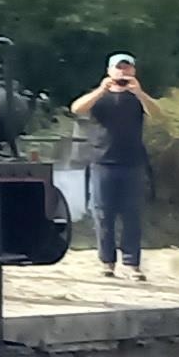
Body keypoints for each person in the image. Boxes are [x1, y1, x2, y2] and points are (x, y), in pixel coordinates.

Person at [69, 53, 162, 280]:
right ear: (110, 71)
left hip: (132, 162)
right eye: (119, 69)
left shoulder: (137, 98)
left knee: (132, 214)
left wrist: (138, 92)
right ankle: (107, 262)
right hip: (102, 161)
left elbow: (158, 115)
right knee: (103, 214)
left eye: (127, 69)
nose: (123, 73)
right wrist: (102, 90)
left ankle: (132, 264)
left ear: (133, 71)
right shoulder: (99, 96)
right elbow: (76, 109)